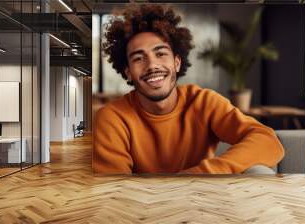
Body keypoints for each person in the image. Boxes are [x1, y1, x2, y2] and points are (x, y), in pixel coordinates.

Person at [93, 4, 284, 174]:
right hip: (141, 208)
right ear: (127, 72)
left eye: (160, 54)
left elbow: (268, 141)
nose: (152, 65)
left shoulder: (204, 102)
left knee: (259, 173)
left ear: (177, 62)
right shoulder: (111, 118)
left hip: (202, 202)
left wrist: (200, 174)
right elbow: (114, 190)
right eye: (138, 58)